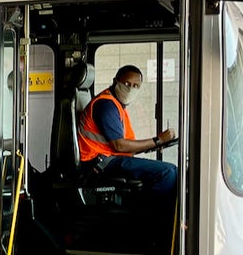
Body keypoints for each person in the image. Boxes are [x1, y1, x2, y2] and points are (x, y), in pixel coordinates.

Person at [76, 65, 177, 198]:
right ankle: (154, 218)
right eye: (127, 83)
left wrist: (156, 144)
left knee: (170, 171)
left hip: (109, 158)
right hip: (101, 163)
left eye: (136, 86)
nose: (130, 89)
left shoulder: (116, 104)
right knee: (168, 172)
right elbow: (120, 145)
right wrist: (158, 140)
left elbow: (123, 145)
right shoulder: (106, 105)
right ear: (115, 82)